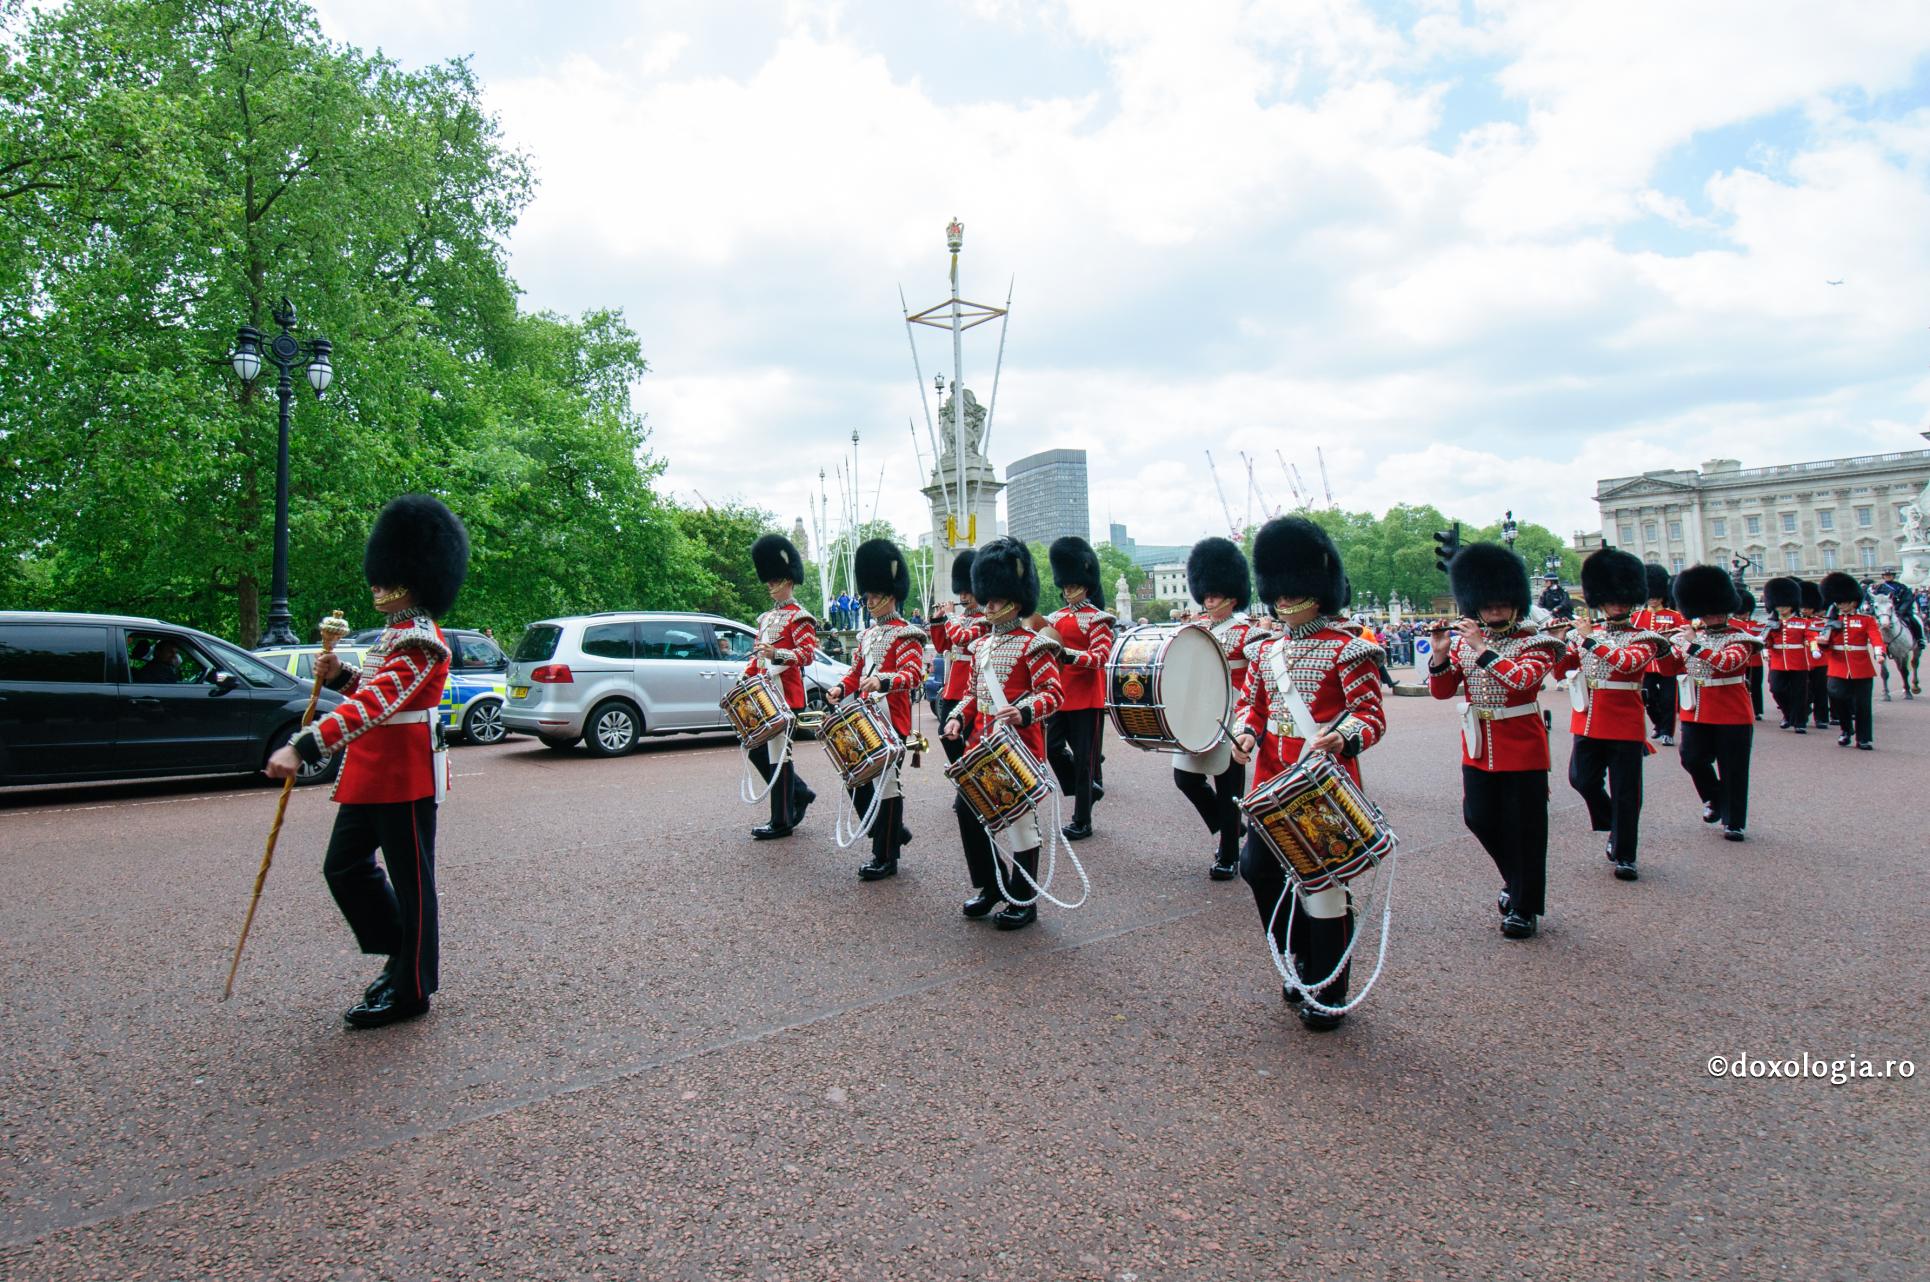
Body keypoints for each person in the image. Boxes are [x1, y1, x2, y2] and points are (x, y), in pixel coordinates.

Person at [264, 494, 466, 1029]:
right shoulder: (396, 634)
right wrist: (340, 677)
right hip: (371, 773)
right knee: (344, 868)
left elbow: (378, 705)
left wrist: (305, 745)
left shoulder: (421, 641)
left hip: (404, 776)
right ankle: (402, 953)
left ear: (414, 578)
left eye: (387, 578)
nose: (376, 585)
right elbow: (373, 690)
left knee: (413, 885)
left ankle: (412, 989)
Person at [1230, 517, 1386, 1031]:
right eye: (1279, 589)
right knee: (1258, 868)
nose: (1284, 599)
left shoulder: (1349, 648)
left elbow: (1370, 715)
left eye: (1294, 589)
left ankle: (1329, 985)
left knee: (1322, 885)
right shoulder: (1265, 650)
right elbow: (1253, 706)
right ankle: (1300, 954)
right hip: (1270, 780)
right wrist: (1245, 734)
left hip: (1321, 783)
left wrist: (1342, 737)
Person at [1428, 543, 1565, 940]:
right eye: (1487, 606)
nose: (1495, 611)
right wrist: (1440, 656)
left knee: (1526, 830)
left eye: (1502, 604)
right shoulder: (1463, 642)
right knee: (1478, 817)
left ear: (1515, 604)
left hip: (1522, 746)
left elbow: (1522, 681)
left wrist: (1481, 648)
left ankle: (1524, 907)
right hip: (1478, 746)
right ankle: (1516, 881)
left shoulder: (1538, 642)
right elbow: (1442, 692)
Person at [944, 538, 1063, 930]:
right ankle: (992, 885)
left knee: (1020, 824)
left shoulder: (1035, 645)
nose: (989, 607)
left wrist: (1024, 711)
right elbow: (971, 695)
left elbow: (1053, 694)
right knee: (967, 810)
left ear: (1015, 600)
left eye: (995, 601)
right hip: (981, 745)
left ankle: (1024, 899)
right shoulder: (980, 646)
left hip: (1018, 746)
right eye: (988, 600)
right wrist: (957, 718)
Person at [1555, 548, 1669, 881]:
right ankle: (1614, 824)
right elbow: (1562, 671)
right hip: (1588, 719)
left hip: (1624, 722)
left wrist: (1589, 640)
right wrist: (1559, 644)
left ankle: (1625, 854)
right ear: (1601, 601)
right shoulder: (1583, 634)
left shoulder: (1645, 637)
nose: (1617, 605)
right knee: (1581, 779)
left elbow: (1628, 663)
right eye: (1611, 599)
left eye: (1622, 599)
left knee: (1626, 792)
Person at [834, 539, 927, 880]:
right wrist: (840, 688)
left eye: (874, 596)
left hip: (892, 719)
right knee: (856, 779)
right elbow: (855, 672)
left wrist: (883, 681)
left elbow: (912, 675)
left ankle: (885, 857)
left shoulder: (907, 634)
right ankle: (892, 832)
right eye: (868, 596)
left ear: (890, 595)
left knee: (887, 787)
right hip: (865, 717)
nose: (869, 601)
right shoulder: (867, 635)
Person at [1172, 536, 1256, 881]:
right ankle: (1230, 826)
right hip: (1197, 711)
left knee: (1228, 785)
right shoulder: (1195, 629)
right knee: (1184, 777)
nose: (1208, 600)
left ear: (1232, 597)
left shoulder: (1247, 632)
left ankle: (1229, 855)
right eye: (1205, 594)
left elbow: (1257, 675)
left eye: (1215, 594)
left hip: (1231, 711)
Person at [1671, 565, 1763, 840]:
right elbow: (1670, 667)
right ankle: (1714, 796)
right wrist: (1664, 647)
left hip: (1732, 711)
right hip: (1697, 709)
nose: (1713, 616)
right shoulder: (1691, 636)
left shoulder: (1741, 638)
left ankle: (1734, 822)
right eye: (1708, 612)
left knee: (1733, 769)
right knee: (1691, 758)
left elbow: (1727, 663)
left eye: (1717, 611)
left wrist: (1692, 645)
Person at [744, 533, 820, 841]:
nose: (770, 585)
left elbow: (807, 655)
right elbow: (757, 656)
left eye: (775, 580)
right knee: (757, 751)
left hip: (786, 695)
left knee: (779, 755)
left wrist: (778, 654)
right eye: (769, 580)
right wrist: (746, 677)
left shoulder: (800, 617)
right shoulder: (766, 617)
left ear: (788, 580)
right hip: (764, 693)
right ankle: (798, 794)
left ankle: (781, 820)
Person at [1044, 536, 1115, 842]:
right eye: (1066, 585)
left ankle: (1082, 821)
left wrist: (1069, 655)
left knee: (1085, 760)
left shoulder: (1098, 619)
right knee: (1051, 748)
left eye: (1073, 585)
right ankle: (1088, 790)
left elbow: (1100, 657)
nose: (1068, 590)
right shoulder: (1055, 618)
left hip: (1086, 698)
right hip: (1061, 695)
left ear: (1086, 586)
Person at [929, 550, 986, 768]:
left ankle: (970, 776)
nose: (963, 597)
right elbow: (944, 646)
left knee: (970, 736)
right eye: (961, 592)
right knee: (945, 732)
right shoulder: (959, 618)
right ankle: (964, 774)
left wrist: (950, 616)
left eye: (968, 592)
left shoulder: (985, 621)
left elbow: (961, 638)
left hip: (971, 686)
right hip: (954, 686)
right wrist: (938, 621)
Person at [1817, 571, 1881, 750]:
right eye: (1839, 603)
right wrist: (1822, 643)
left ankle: (1864, 738)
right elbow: (1824, 643)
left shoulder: (1866, 620)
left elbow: (1875, 637)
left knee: (1863, 705)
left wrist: (1879, 652)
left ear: (1853, 602)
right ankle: (1846, 730)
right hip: (1837, 665)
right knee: (1836, 696)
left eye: (1844, 602)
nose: (1841, 605)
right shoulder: (1831, 621)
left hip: (1861, 667)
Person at [1632, 564, 1686, 745]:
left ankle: (1667, 732)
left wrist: (1670, 645)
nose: (1653, 600)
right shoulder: (1637, 617)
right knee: (1648, 697)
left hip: (1668, 663)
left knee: (1668, 699)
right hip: (1647, 664)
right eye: (1650, 596)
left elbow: (1681, 638)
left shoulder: (1674, 616)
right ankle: (1657, 724)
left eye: (1656, 596)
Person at [1760, 577, 1813, 732]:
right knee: (1776, 689)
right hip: (1778, 661)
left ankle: (1800, 722)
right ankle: (1788, 714)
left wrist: (1814, 648)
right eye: (1778, 606)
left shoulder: (1802, 622)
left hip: (1798, 661)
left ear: (1792, 605)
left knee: (1799, 693)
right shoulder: (1771, 623)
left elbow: (1811, 637)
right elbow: (1767, 641)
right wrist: (1765, 645)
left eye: (1784, 606)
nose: (1781, 609)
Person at [1799, 579, 1832, 729]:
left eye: (1807, 607)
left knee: (1820, 690)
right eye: (1802, 607)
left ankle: (1821, 718)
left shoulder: (1822, 623)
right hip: (1802, 659)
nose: (1804, 610)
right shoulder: (1796, 622)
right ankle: (1803, 714)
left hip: (1820, 660)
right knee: (1803, 690)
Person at [1872, 568, 1922, 651]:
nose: (1888, 577)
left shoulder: (1902, 587)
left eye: (1890, 575)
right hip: (1885, 611)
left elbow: (1908, 600)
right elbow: (1875, 600)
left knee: (1914, 621)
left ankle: (1919, 639)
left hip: (1901, 611)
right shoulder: (1879, 588)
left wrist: (1900, 611)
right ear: (1883, 577)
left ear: (1893, 576)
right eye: (1886, 575)